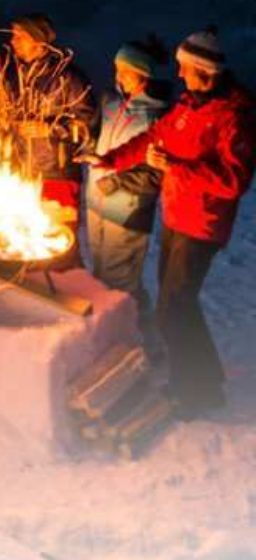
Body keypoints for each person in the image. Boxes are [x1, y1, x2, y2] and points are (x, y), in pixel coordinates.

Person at [82, 28, 256, 419]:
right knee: (179, 305)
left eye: (183, 68)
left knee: (172, 309)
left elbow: (233, 180)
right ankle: (207, 382)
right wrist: (108, 160)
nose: (177, 74)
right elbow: (151, 138)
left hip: (203, 225)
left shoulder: (232, 116)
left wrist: (177, 167)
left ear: (203, 70)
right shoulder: (188, 105)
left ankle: (192, 393)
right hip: (177, 217)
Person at [86, 38, 169, 333]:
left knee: (122, 283)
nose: (117, 76)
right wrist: (85, 142)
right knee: (100, 278)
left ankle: (142, 343)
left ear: (142, 74)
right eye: (116, 69)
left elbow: (158, 174)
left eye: (124, 71)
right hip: (98, 206)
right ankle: (111, 336)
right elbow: (100, 141)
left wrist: (119, 181)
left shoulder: (157, 116)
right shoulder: (113, 103)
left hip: (128, 210)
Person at [6, 13, 97, 263]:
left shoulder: (69, 78)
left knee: (60, 244)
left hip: (58, 175)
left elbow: (87, 127)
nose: (13, 41)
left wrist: (50, 129)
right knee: (30, 243)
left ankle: (70, 292)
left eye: (19, 36)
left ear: (38, 41)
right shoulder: (17, 77)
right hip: (25, 174)